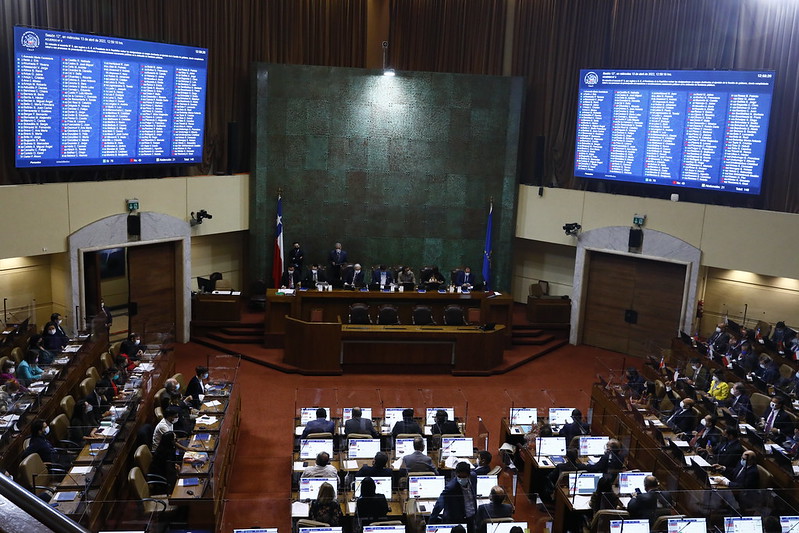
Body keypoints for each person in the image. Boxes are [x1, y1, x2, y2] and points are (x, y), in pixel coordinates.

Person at [429, 461, 478, 528]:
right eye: (459, 477)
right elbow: (439, 504)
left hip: (472, 517)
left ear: (468, 475)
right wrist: (430, 523)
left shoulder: (473, 477)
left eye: (464, 477)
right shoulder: (451, 487)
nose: (462, 479)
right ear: (456, 474)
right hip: (458, 519)